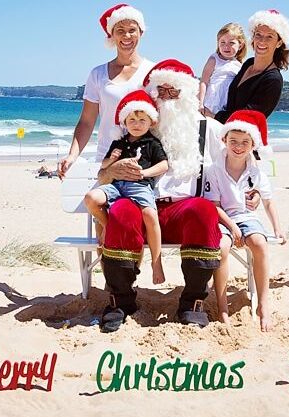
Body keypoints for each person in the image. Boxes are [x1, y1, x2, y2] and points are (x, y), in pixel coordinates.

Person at [98, 59, 229, 331]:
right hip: (140, 207)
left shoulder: (211, 130)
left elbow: (227, 176)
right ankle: (120, 301)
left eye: (174, 91)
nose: (167, 97)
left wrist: (245, 202)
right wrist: (112, 172)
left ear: (189, 93)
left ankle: (193, 302)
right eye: (162, 91)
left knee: (203, 210)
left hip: (183, 213)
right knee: (120, 211)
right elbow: (102, 176)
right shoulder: (136, 127)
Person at [204, 110, 285, 330]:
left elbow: (268, 201)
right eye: (233, 141)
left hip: (247, 217)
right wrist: (232, 227)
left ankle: (263, 304)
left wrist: (277, 229)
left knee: (260, 244)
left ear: (252, 145)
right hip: (222, 219)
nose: (238, 147)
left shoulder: (256, 172)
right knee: (221, 247)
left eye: (244, 142)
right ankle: (222, 307)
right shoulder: (213, 170)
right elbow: (214, 206)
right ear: (224, 140)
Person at [58, 4, 155, 177]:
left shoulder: (154, 72)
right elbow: (87, 121)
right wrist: (72, 155)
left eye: (132, 30)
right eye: (120, 30)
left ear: (141, 32)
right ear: (112, 35)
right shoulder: (98, 74)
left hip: (144, 162)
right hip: (108, 160)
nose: (126, 35)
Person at [84, 90, 168, 284]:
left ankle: (157, 262)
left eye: (141, 120)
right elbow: (103, 167)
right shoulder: (118, 142)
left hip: (140, 186)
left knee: (150, 215)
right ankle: (107, 225)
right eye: (132, 120)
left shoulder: (152, 143)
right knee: (91, 199)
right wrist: (111, 160)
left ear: (151, 122)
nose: (136, 125)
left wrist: (144, 173)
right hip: (116, 186)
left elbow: (163, 165)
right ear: (125, 122)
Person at [214, 10, 289, 123]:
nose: (262, 41)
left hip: (244, 138)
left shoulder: (273, 80)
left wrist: (214, 116)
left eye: (269, 37)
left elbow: (248, 117)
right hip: (224, 134)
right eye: (258, 35)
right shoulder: (248, 63)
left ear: (279, 43)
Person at [199, 23, 246, 118]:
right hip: (210, 103)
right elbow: (204, 81)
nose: (226, 46)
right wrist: (200, 103)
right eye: (222, 42)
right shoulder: (214, 60)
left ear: (240, 45)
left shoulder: (239, 65)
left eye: (231, 43)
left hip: (226, 107)